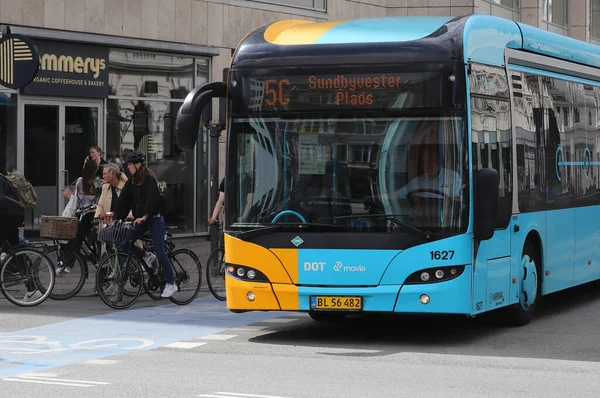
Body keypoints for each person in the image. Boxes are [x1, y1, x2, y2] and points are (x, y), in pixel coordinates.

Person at [115, 150, 178, 298]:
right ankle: (146, 256)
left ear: (138, 165)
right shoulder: (132, 181)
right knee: (125, 244)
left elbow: (153, 199)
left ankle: (171, 283)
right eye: (128, 165)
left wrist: (144, 215)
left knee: (160, 251)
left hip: (154, 219)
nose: (128, 167)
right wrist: (117, 218)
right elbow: (123, 200)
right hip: (141, 220)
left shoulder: (149, 179)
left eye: (131, 165)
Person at [59, 160, 103, 273]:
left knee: (77, 238)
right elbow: (99, 201)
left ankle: (67, 262)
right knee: (84, 237)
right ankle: (94, 256)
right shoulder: (98, 183)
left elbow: (75, 197)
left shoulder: (79, 181)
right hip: (94, 214)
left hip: (83, 214)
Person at [395, 144, 462, 200]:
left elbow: (456, 200)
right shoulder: (416, 182)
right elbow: (396, 195)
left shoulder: (452, 176)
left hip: (445, 215)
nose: (428, 165)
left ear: (438, 160)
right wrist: (385, 197)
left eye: (431, 160)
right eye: (425, 162)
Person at [0, 168, 25, 249]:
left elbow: (2, 199)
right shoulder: (2, 177)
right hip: (14, 214)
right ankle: (20, 259)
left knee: (8, 243)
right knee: (12, 245)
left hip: (10, 216)